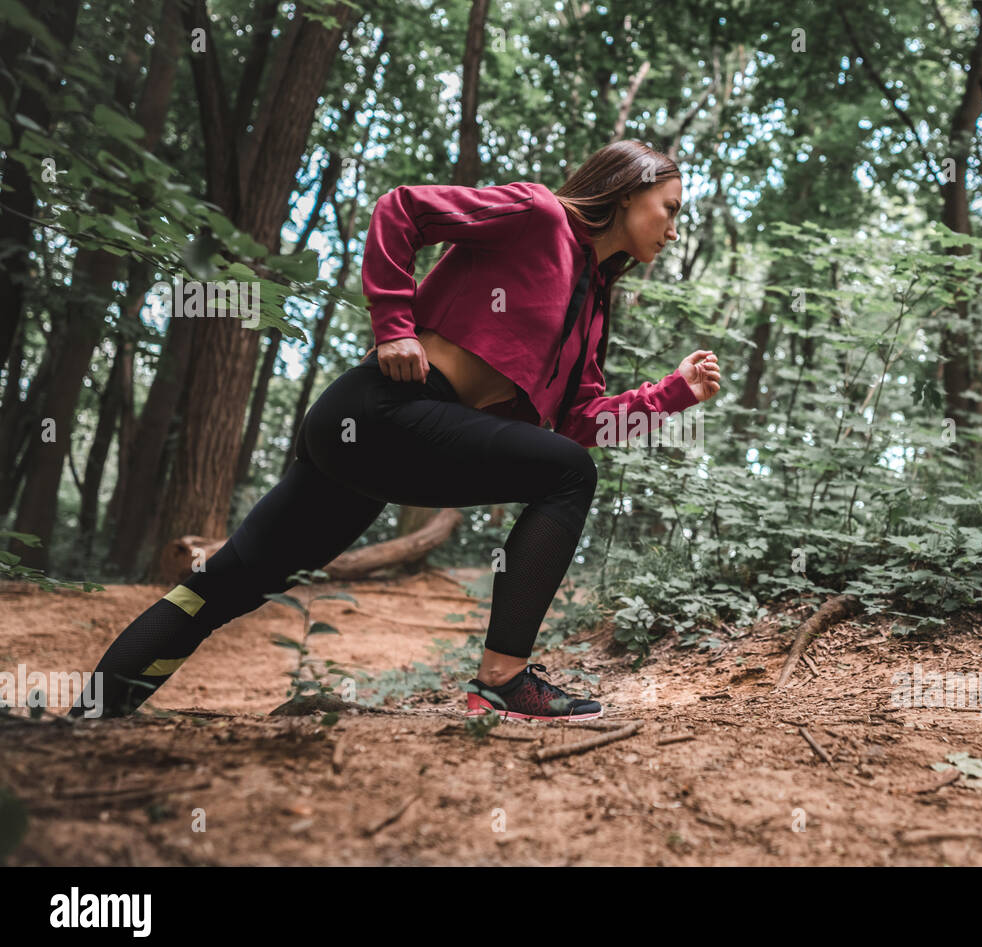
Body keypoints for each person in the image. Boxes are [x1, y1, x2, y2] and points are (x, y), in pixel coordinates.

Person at [67, 139, 722, 723]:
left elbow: (579, 421)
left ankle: (88, 718)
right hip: (381, 408)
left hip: (392, 445)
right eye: (669, 208)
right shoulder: (538, 213)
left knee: (228, 583)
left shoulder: (593, 310)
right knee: (568, 475)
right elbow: (401, 210)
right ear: (628, 190)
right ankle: (502, 679)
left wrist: (672, 394)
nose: (674, 228)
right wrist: (394, 326)